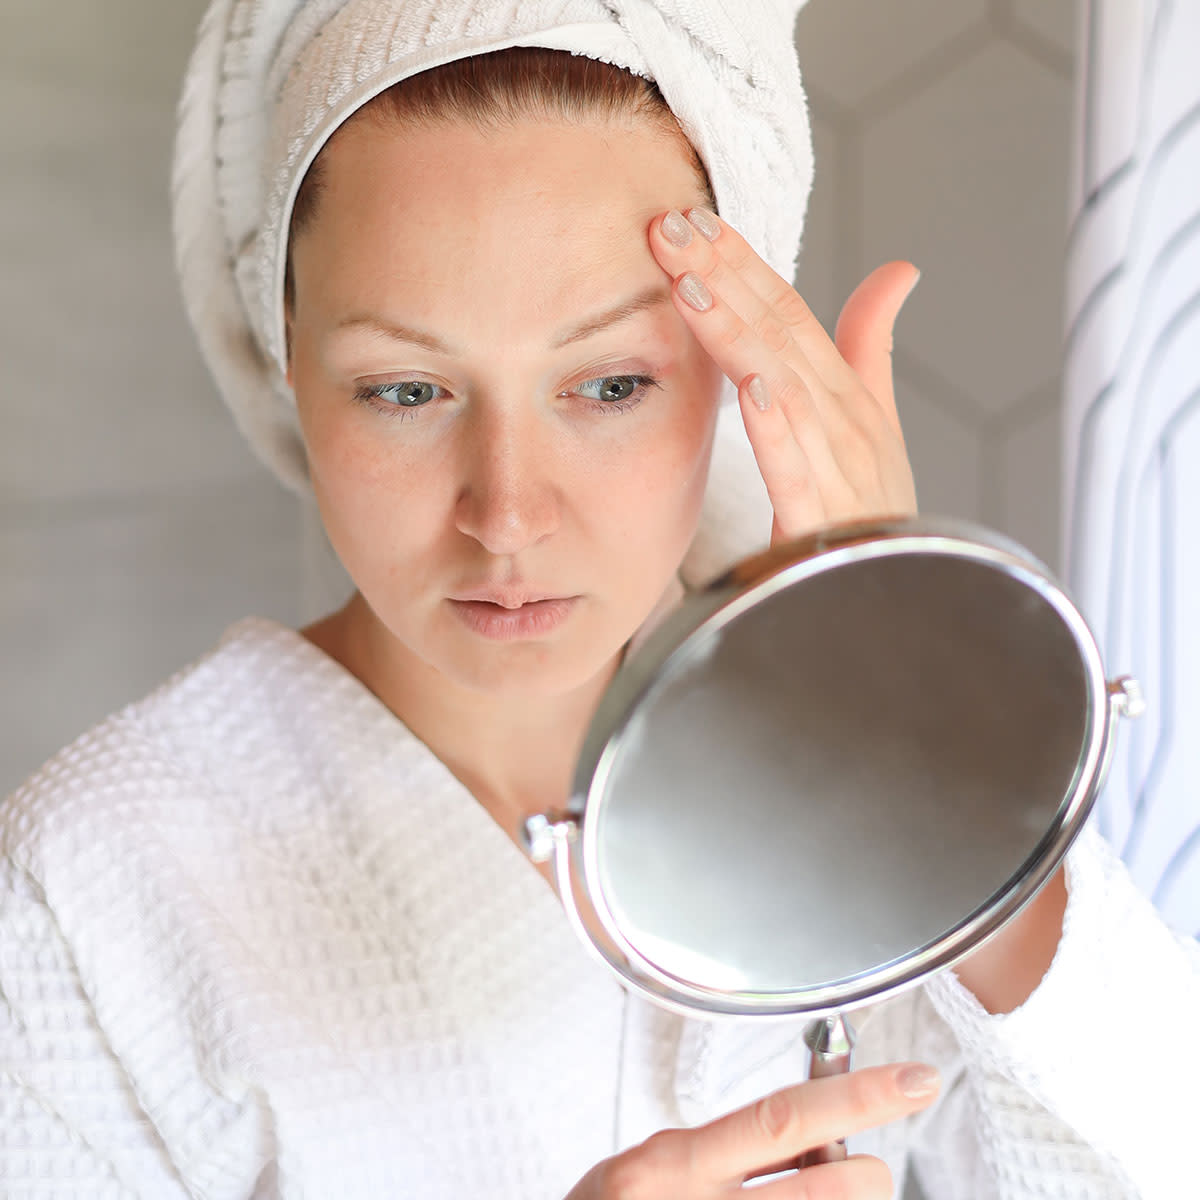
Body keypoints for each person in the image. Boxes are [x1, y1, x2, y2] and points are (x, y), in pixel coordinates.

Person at [2, 2, 1198, 1197]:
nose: (508, 513)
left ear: (740, 359)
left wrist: (915, 708)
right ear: (285, 354)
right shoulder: (89, 888)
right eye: (406, 391)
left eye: (612, 382)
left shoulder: (874, 772)